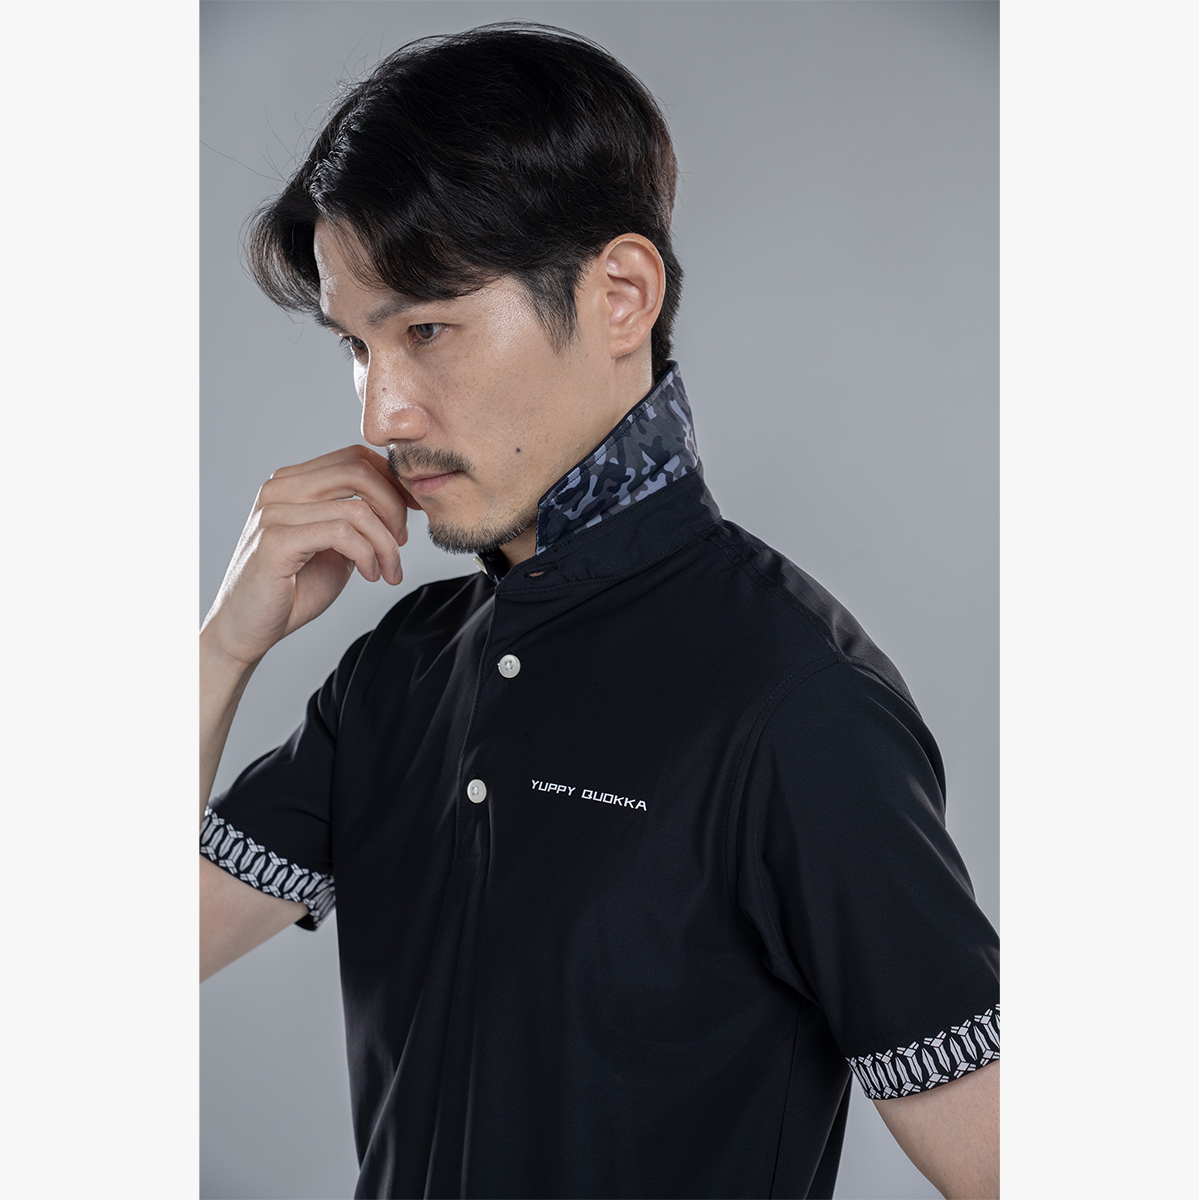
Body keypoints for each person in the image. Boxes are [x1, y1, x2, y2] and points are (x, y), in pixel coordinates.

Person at [200, 23, 999, 1200]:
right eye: (357, 347)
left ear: (621, 296)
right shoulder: (399, 670)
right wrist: (225, 645)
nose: (381, 415)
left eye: (426, 330)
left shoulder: (796, 703)